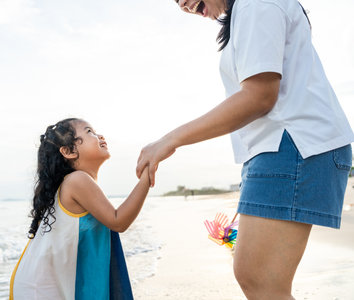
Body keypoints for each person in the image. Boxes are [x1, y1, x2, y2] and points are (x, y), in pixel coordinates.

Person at [136, 0, 354, 299]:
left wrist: (169, 139)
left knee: (259, 280)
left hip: (294, 145)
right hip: (280, 148)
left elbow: (259, 97)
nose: (183, 5)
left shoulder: (255, 4)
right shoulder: (245, 12)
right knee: (255, 276)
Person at [10, 118, 149, 300]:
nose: (99, 135)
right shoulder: (77, 180)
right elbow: (118, 221)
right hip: (42, 291)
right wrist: (148, 174)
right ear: (68, 151)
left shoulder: (74, 183)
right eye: (89, 131)